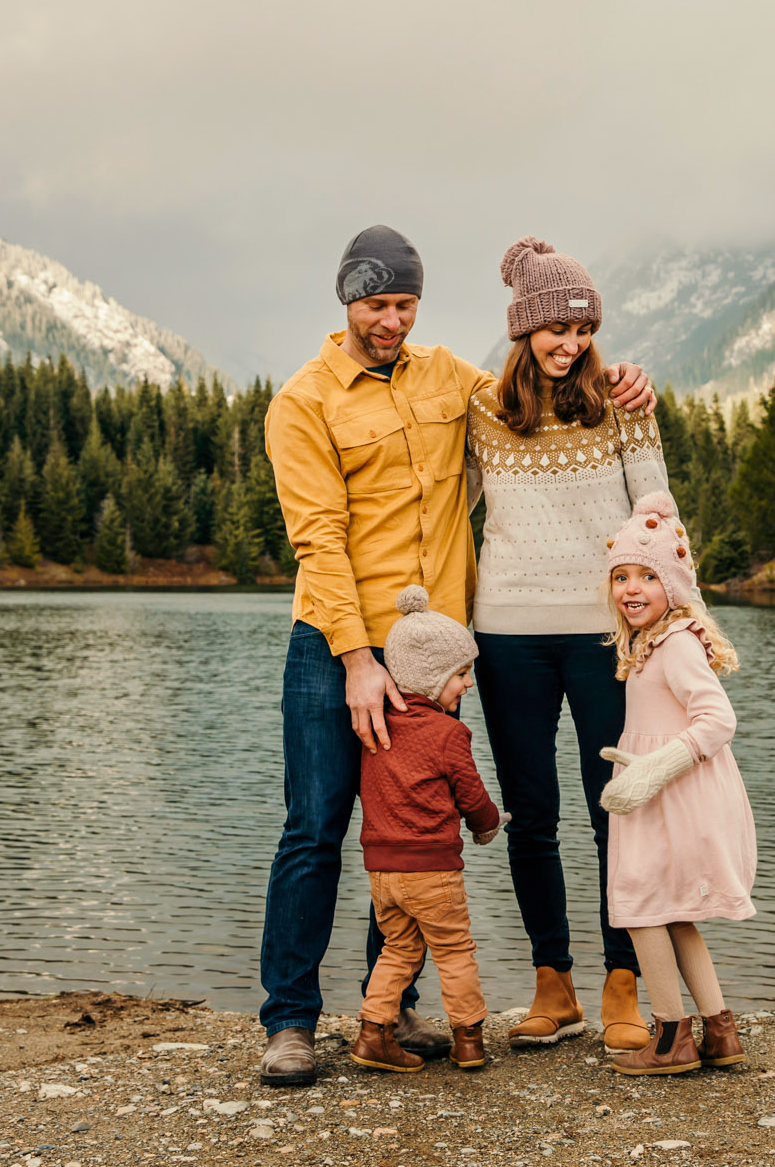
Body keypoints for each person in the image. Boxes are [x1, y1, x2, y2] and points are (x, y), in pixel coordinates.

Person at [257, 224, 654, 1086]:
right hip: (338, 644)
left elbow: (547, 372)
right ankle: (288, 1018)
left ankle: (384, 1009)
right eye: (376, 304)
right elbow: (317, 540)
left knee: (411, 832)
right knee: (316, 827)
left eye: (403, 303)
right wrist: (359, 658)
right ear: (346, 303)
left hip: (437, 652)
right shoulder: (304, 401)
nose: (391, 319)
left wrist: (621, 375)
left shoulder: (452, 380)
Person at [464, 236, 665, 1052]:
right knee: (531, 815)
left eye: (582, 330)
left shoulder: (622, 402)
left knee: (614, 806)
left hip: (601, 635)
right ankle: (555, 982)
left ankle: (624, 978)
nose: (570, 344)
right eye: (554, 329)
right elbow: (444, 508)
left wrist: (662, 608)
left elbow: (655, 511)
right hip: (507, 633)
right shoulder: (481, 410)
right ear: (523, 329)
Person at [598, 492, 755, 1076]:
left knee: (639, 906)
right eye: (621, 576)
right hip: (658, 795)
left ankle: (670, 1039)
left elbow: (718, 720)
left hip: (673, 796)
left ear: (676, 585)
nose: (631, 589)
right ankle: (719, 1031)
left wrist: (651, 772)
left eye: (647, 576)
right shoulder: (649, 642)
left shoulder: (678, 644)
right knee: (671, 912)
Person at [351, 586, 504, 1074]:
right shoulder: (448, 733)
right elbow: (471, 793)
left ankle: (374, 1034)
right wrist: (488, 825)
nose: (468, 685)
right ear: (432, 675)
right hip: (432, 869)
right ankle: (469, 1040)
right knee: (455, 950)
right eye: (461, 674)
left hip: (381, 870)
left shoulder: (375, 727)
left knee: (398, 949)